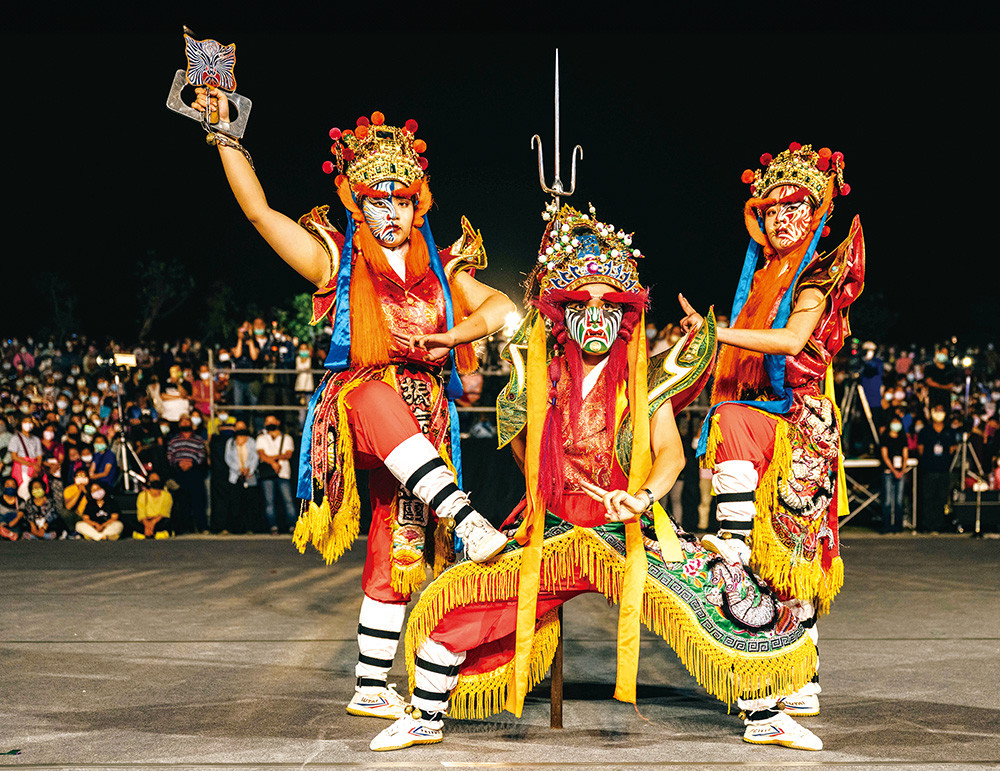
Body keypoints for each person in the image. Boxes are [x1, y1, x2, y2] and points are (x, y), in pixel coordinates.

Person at [371, 204, 819, 752]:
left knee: (729, 595)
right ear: (562, 315)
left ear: (627, 313)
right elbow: (519, 448)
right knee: (461, 605)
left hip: (628, 529)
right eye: (582, 303)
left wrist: (642, 497)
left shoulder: (647, 373)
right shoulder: (537, 373)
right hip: (554, 531)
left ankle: (765, 717)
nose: (597, 315)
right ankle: (424, 716)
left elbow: (671, 456)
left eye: (610, 303)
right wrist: (549, 491)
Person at [188, 90, 513, 718]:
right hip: (359, 412)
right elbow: (259, 214)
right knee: (373, 394)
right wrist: (226, 137)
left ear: (418, 204)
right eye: (374, 200)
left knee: (398, 546)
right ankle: (468, 521)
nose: (388, 210)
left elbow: (499, 308)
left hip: (425, 433)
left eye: (398, 198)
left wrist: (450, 336)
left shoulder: (446, 270)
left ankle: (370, 685)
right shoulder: (335, 261)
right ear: (357, 205)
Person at [679, 143, 863, 724]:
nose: (784, 218)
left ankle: (801, 675)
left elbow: (788, 344)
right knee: (768, 567)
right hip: (762, 417)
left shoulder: (813, 278)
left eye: (798, 206)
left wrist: (719, 334)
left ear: (817, 214)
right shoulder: (760, 279)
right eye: (774, 207)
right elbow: (734, 354)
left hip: (800, 425)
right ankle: (772, 669)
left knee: (792, 559)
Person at [916, 406, 957, 532]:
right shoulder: (925, 431)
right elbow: (920, 450)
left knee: (941, 498)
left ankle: (939, 524)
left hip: (943, 469)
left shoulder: (949, 431)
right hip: (929, 469)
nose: (939, 414)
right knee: (928, 497)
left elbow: (952, 449)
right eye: (936, 411)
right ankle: (928, 525)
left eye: (941, 411)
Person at [166, 415, 208, 534]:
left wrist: (192, 463)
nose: (184, 424)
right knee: (182, 501)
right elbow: (170, 455)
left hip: (194, 471)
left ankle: (202, 527)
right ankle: (183, 527)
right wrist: (179, 463)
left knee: (198, 501)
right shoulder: (174, 440)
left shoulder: (198, 440)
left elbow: (202, 455)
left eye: (187, 421)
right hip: (179, 472)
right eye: (182, 422)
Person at [256, 415, 296, 534]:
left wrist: (271, 459)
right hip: (267, 474)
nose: (270, 423)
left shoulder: (287, 438)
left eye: (272, 421)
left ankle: (292, 525)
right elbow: (261, 454)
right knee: (269, 501)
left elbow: (288, 454)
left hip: (283, 473)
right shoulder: (261, 438)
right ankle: (273, 526)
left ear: (278, 422)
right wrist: (274, 463)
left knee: (288, 500)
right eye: (267, 421)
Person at [224, 420, 259, 533]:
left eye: (242, 427)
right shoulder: (230, 442)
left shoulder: (251, 441)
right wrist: (239, 469)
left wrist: (249, 469)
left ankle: (250, 527)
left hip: (249, 476)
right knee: (235, 503)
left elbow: (255, 457)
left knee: (250, 503)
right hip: (235, 476)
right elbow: (227, 459)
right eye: (238, 428)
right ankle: (236, 528)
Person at [879, 417, 909, 534]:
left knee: (899, 500)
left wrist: (902, 470)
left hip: (900, 471)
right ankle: (887, 525)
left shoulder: (902, 438)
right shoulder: (885, 438)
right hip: (888, 471)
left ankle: (898, 525)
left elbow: (905, 455)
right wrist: (893, 470)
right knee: (887, 500)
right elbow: (885, 456)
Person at [9, 416, 42, 499]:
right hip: (22, 469)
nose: (28, 424)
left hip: (35, 470)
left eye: (30, 422)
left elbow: (39, 455)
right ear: (21, 424)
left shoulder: (36, 439)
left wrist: (37, 467)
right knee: (24, 493)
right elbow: (14, 457)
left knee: (35, 492)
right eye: (25, 422)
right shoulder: (15, 438)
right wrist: (31, 464)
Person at [134, 471, 173, 539]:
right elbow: (141, 513)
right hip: (146, 520)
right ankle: (149, 532)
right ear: (149, 482)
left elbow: (165, 512)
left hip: (159, 519)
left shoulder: (167, 495)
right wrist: (147, 525)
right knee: (135, 524)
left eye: (157, 479)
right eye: (153, 479)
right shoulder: (142, 495)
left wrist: (152, 524)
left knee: (167, 522)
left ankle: (152, 532)